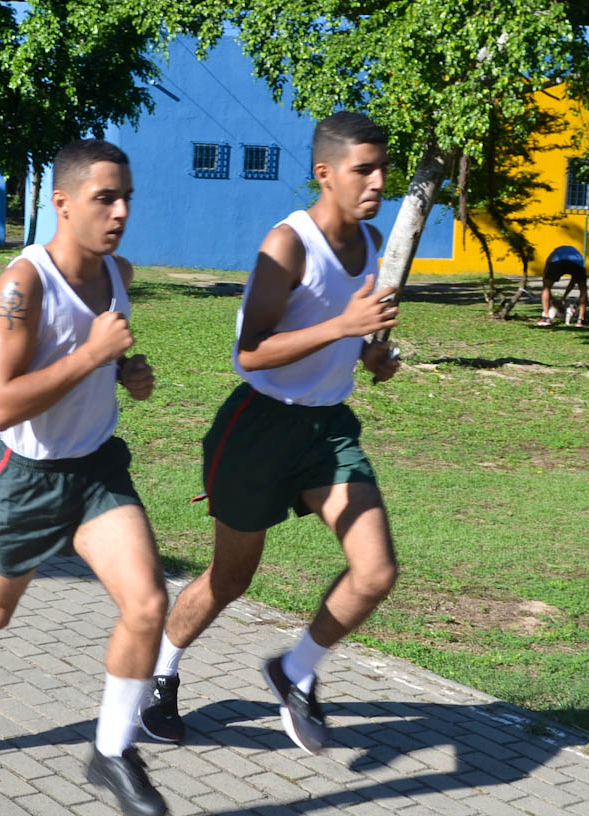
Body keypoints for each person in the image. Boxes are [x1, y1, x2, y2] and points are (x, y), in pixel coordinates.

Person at [0, 140, 168, 816]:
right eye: (105, 198)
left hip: (97, 469)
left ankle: (111, 749)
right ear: (62, 202)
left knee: (146, 602)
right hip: (26, 477)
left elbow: (104, 360)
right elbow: (1, 403)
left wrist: (126, 374)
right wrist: (93, 356)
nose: (120, 211)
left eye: (127, 197)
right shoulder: (23, 285)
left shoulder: (119, 272)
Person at [139, 112, 402, 755]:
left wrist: (372, 357)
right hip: (258, 425)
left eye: (381, 168)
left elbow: (356, 339)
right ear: (325, 173)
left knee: (375, 571)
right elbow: (249, 352)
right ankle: (158, 674)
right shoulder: (288, 244)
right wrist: (344, 326)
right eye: (362, 169)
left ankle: (296, 671)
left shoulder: (370, 242)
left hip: (326, 429)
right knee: (231, 579)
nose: (376, 181)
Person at [539, 245, 587, 327]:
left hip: (558, 261)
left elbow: (545, 280)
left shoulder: (554, 254)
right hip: (577, 264)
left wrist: (554, 298)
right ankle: (581, 320)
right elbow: (574, 281)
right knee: (583, 290)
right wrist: (563, 297)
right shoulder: (577, 255)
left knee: (546, 287)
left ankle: (546, 318)